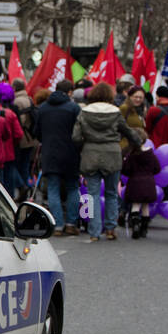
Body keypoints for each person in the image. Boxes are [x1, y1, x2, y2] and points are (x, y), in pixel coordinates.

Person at [71, 82, 136, 241]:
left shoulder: (84, 112)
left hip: (90, 154)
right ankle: (110, 228)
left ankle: (94, 231)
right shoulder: (115, 112)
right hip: (112, 154)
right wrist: (137, 144)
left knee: (92, 195)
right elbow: (128, 132)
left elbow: (75, 137)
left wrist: (83, 146)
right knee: (112, 193)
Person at [32, 80, 82, 235]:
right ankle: (71, 223)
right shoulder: (74, 108)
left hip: (50, 153)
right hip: (71, 153)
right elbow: (79, 132)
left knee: (53, 189)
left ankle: (57, 224)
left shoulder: (43, 108)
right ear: (70, 92)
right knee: (73, 187)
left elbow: (36, 132)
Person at [121, 128, 160, 239]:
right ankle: (144, 228)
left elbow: (125, 170)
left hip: (134, 182)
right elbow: (157, 168)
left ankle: (135, 225)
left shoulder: (131, 155)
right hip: (148, 182)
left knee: (135, 205)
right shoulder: (150, 153)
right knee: (145, 206)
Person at [3, 83, 38, 200]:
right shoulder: (29, 99)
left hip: (22, 140)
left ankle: (24, 186)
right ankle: (28, 186)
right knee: (25, 165)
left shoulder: (17, 102)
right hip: (31, 139)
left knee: (16, 166)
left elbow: (19, 123)